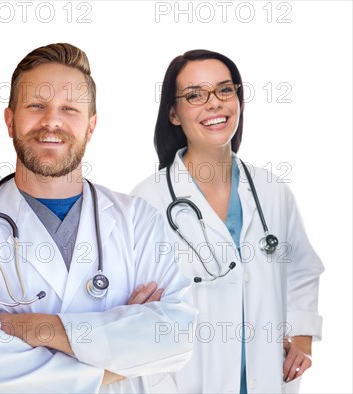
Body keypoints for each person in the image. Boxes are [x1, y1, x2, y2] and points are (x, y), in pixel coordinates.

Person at [0, 43, 197, 393]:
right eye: (36, 106)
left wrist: (43, 329)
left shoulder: (138, 220)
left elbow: (177, 335)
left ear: (91, 126)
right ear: (10, 120)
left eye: (69, 108)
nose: (51, 121)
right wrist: (124, 355)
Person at [132, 49, 324, 393]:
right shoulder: (147, 200)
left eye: (224, 90)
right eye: (195, 95)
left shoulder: (272, 190)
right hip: (183, 382)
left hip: (266, 377)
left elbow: (302, 268)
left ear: (239, 99)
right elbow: (133, 311)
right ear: (173, 114)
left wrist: (303, 338)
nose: (214, 103)